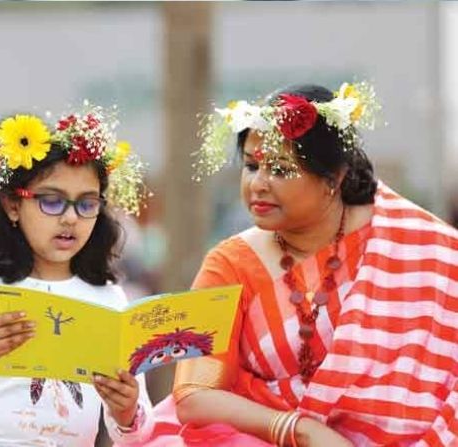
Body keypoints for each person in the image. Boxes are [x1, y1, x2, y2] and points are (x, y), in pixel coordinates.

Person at [150, 82, 458, 447]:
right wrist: (300, 430)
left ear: (334, 177)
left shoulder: (415, 245)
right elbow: (193, 396)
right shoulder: (228, 264)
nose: (257, 184)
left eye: (279, 169)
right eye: (251, 165)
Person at [0, 107, 156, 445]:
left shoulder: (108, 297)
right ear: (12, 204)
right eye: (52, 202)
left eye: (86, 204)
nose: (70, 218)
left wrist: (126, 412)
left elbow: (138, 434)